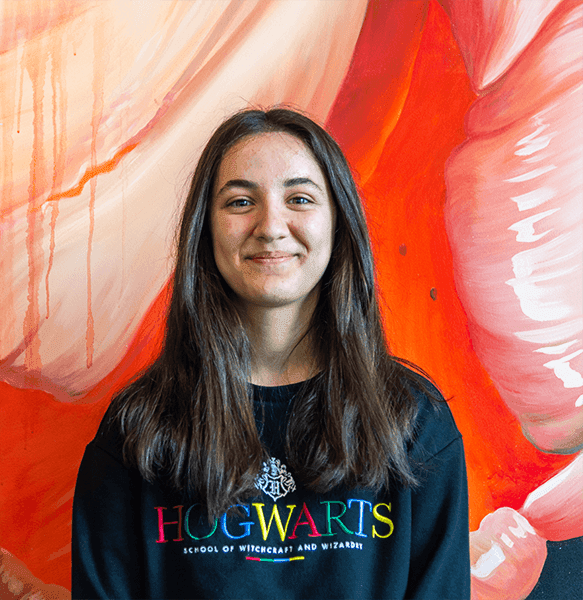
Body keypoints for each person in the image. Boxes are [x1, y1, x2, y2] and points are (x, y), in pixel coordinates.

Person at [71, 107, 470, 599]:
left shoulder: (414, 423)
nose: (271, 225)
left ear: (338, 224)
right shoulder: (137, 430)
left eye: (300, 198)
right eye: (240, 202)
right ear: (205, 231)